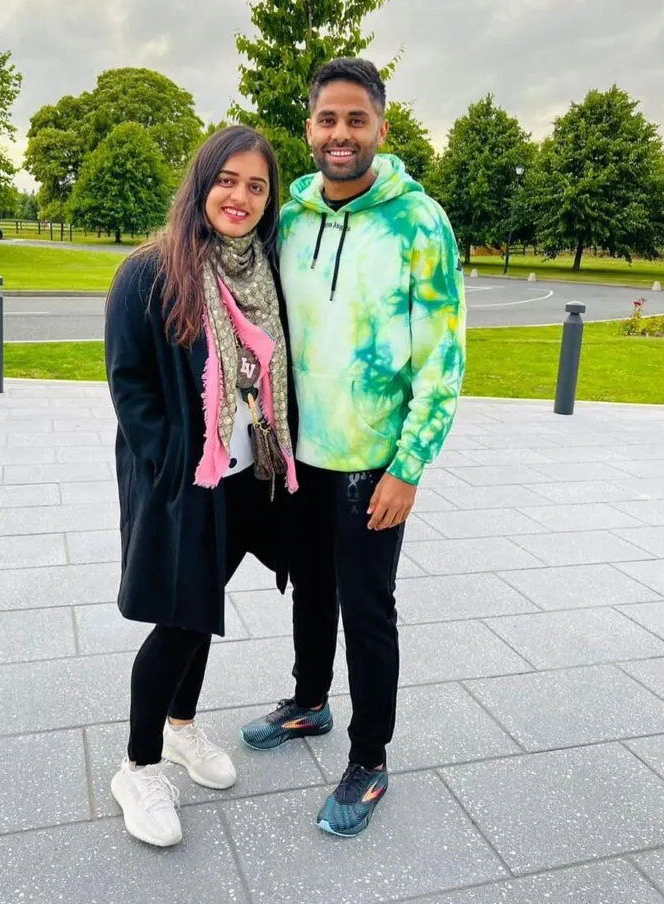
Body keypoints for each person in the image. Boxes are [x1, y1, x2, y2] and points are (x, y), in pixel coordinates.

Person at [241, 58, 467, 837]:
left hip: (373, 460)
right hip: (299, 453)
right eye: (326, 120)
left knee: (367, 609)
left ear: (381, 128)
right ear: (308, 128)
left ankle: (368, 759)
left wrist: (409, 467)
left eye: (355, 120)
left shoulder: (418, 221)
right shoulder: (292, 215)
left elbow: (443, 357)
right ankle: (309, 701)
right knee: (309, 588)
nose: (340, 135)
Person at [105, 125, 297, 848]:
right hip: (188, 478)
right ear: (201, 181)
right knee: (181, 617)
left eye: (256, 185)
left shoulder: (265, 270)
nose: (240, 196)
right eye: (228, 179)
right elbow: (129, 385)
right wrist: (170, 469)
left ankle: (181, 729)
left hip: (253, 474)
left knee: (202, 609)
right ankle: (138, 764)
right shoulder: (150, 272)